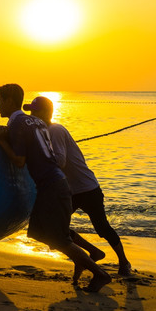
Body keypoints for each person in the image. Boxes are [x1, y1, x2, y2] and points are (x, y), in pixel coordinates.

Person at [0, 84, 111, 292]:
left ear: (11, 101)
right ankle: (87, 253)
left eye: (0, 101)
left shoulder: (17, 124)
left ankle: (100, 273)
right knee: (38, 233)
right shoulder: (37, 121)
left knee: (58, 238)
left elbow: (19, 161)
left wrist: (2, 141)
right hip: (54, 185)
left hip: (52, 187)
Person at [23, 96, 132, 282]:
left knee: (102, 228)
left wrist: (39, 157)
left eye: (35, 111)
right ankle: (92, 252)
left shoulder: (55, 130)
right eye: (30, 111)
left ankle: (124, 262)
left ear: (44, 113)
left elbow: (60, 161)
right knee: (58, 229)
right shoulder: (45, 133)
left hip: (87, 188)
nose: (32, 115)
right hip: (69, 191)